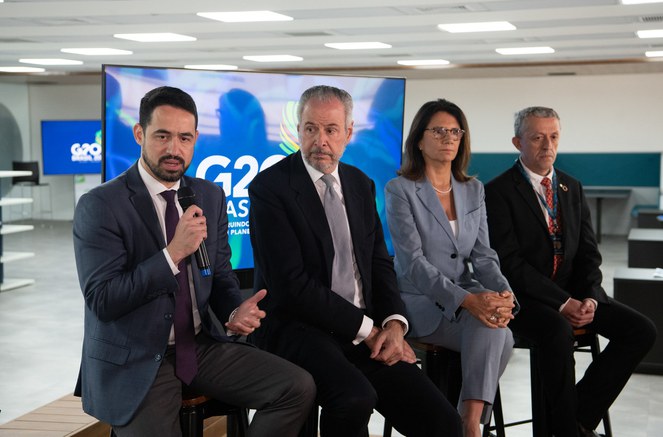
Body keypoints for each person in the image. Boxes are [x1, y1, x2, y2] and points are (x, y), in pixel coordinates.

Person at [73, 86, 315, 437]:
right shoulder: (101, 205)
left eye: (184, 137)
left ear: (197, 138)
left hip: (200, 346)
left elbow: (218, 274)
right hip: (136, 358)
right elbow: (104, 300)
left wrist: (234, 312)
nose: (174, 149)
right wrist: (172, 253)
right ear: (139, 134)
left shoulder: (208, 195)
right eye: (162, 136)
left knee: (297, 387)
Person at [248, 85, 462, 437]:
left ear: (348, 132)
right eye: (310, 128)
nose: (320, 140)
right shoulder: (270, 189)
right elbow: (292, 286)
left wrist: (394, 325)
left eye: (331, 130)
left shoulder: (361, 184)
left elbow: (379, 262)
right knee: (354, 397)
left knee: (443, 422)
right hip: (299, 328)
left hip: (365, 331)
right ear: (297, 130)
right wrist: (369, 329)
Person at [484, 106, 657, 437]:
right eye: (536, 138)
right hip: (526, 299)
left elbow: (589, 253)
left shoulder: (571, 187)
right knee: (557, 332)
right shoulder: (497, 192)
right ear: (517, 141)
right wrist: (563, 303)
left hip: (575, 294)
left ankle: (577, 418)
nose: (547, 145)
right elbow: (509, 263)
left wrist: (590, 297)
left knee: (641, 331)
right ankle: (564, 429)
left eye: (553, 137)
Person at [384, 99, 517, 437]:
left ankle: (464, 423)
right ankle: (471, 425)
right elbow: (413, 263)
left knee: (494, 324)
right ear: (419, 139)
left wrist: (503, 296)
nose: (448, 138)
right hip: (420, 301)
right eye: (438, 131)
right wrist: (469, 301)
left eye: (455, 131)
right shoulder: (400, 190)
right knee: (498, 334)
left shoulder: (473, 190)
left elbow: (484, 256)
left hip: (465, 297)